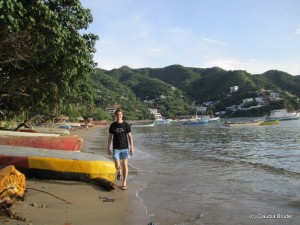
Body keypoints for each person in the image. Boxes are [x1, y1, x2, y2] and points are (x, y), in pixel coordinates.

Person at [108, 109, 134, 190]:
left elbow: (130, 136)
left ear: (122, 115)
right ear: (115, 115)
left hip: (125, 148)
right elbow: (110, 137)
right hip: (116, 148)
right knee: (117, 165)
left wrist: (132, 147)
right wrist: (108, 147)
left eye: (120, 114)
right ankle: (119, 172)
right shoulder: (113, 125)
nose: (119, 115)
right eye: (118, 114)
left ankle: (124, 182)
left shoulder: (126, 124)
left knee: (125, 165)